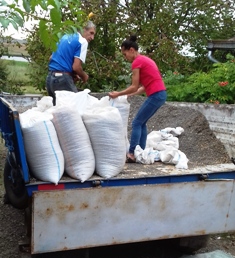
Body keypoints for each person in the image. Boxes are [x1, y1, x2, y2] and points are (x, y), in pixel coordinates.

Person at [109, 34, 167, 163]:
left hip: (156, 95)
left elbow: (134, 86)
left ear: (131, 50)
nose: (125, 58)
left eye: (125, 55)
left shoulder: (137, 62)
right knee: (142, 122)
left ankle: (132, 153)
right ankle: (140, 151)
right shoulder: (146, 60)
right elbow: (143, 87)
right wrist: (129, 94)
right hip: (160, 94)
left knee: (136, 123)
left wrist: (117, 94)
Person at [46, 21, 96, 105]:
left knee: (57, 111)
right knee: (75, 108)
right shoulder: (82, 41)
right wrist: (84, 76)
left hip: (50, 78)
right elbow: (76, 67)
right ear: (83, 29)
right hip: (62, 80)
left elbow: (51, 58)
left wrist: (71, 73)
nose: (92, 37)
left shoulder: (64, 37)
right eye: (91, 33)